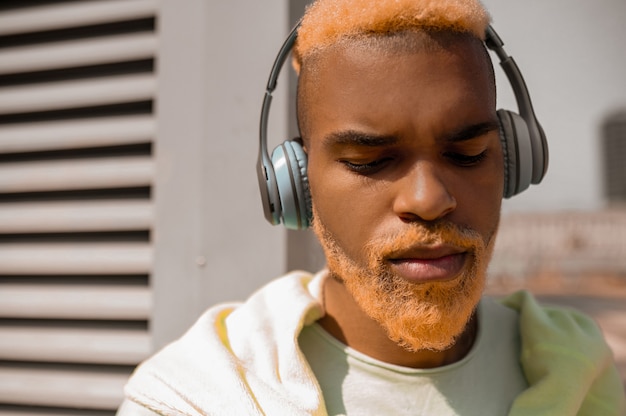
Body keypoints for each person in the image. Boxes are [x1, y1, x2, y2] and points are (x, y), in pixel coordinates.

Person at [117, 0, 626, 414]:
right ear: (295, 183)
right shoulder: (193, 395)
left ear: (515, 162)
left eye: (468, 155)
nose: (429, 200)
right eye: (368, 161)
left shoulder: (579, 368)